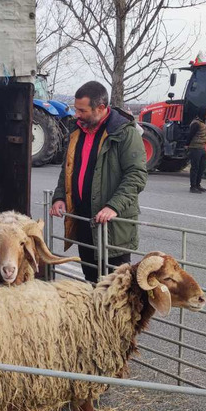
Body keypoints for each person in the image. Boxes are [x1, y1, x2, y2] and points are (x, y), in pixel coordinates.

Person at [50, 81, 147, 282]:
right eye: (76, 109)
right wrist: (60, 197)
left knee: (116, 287)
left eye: (82, 110)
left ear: (101, 108)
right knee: (91, 279)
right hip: (84, 221)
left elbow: (136, 175)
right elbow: (67, 169)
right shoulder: (77, 131)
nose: (77, 115)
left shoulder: (124, 133)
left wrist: (114, 206)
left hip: (112, 225)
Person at [186, 108, 206, 193]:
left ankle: (198, 184)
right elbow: (190, 135)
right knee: (195, 167)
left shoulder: (202, 122)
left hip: (202, 148)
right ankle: (193, 186)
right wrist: (187, 145)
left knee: (202, 167)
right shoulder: (196, 123)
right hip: (195, 147)